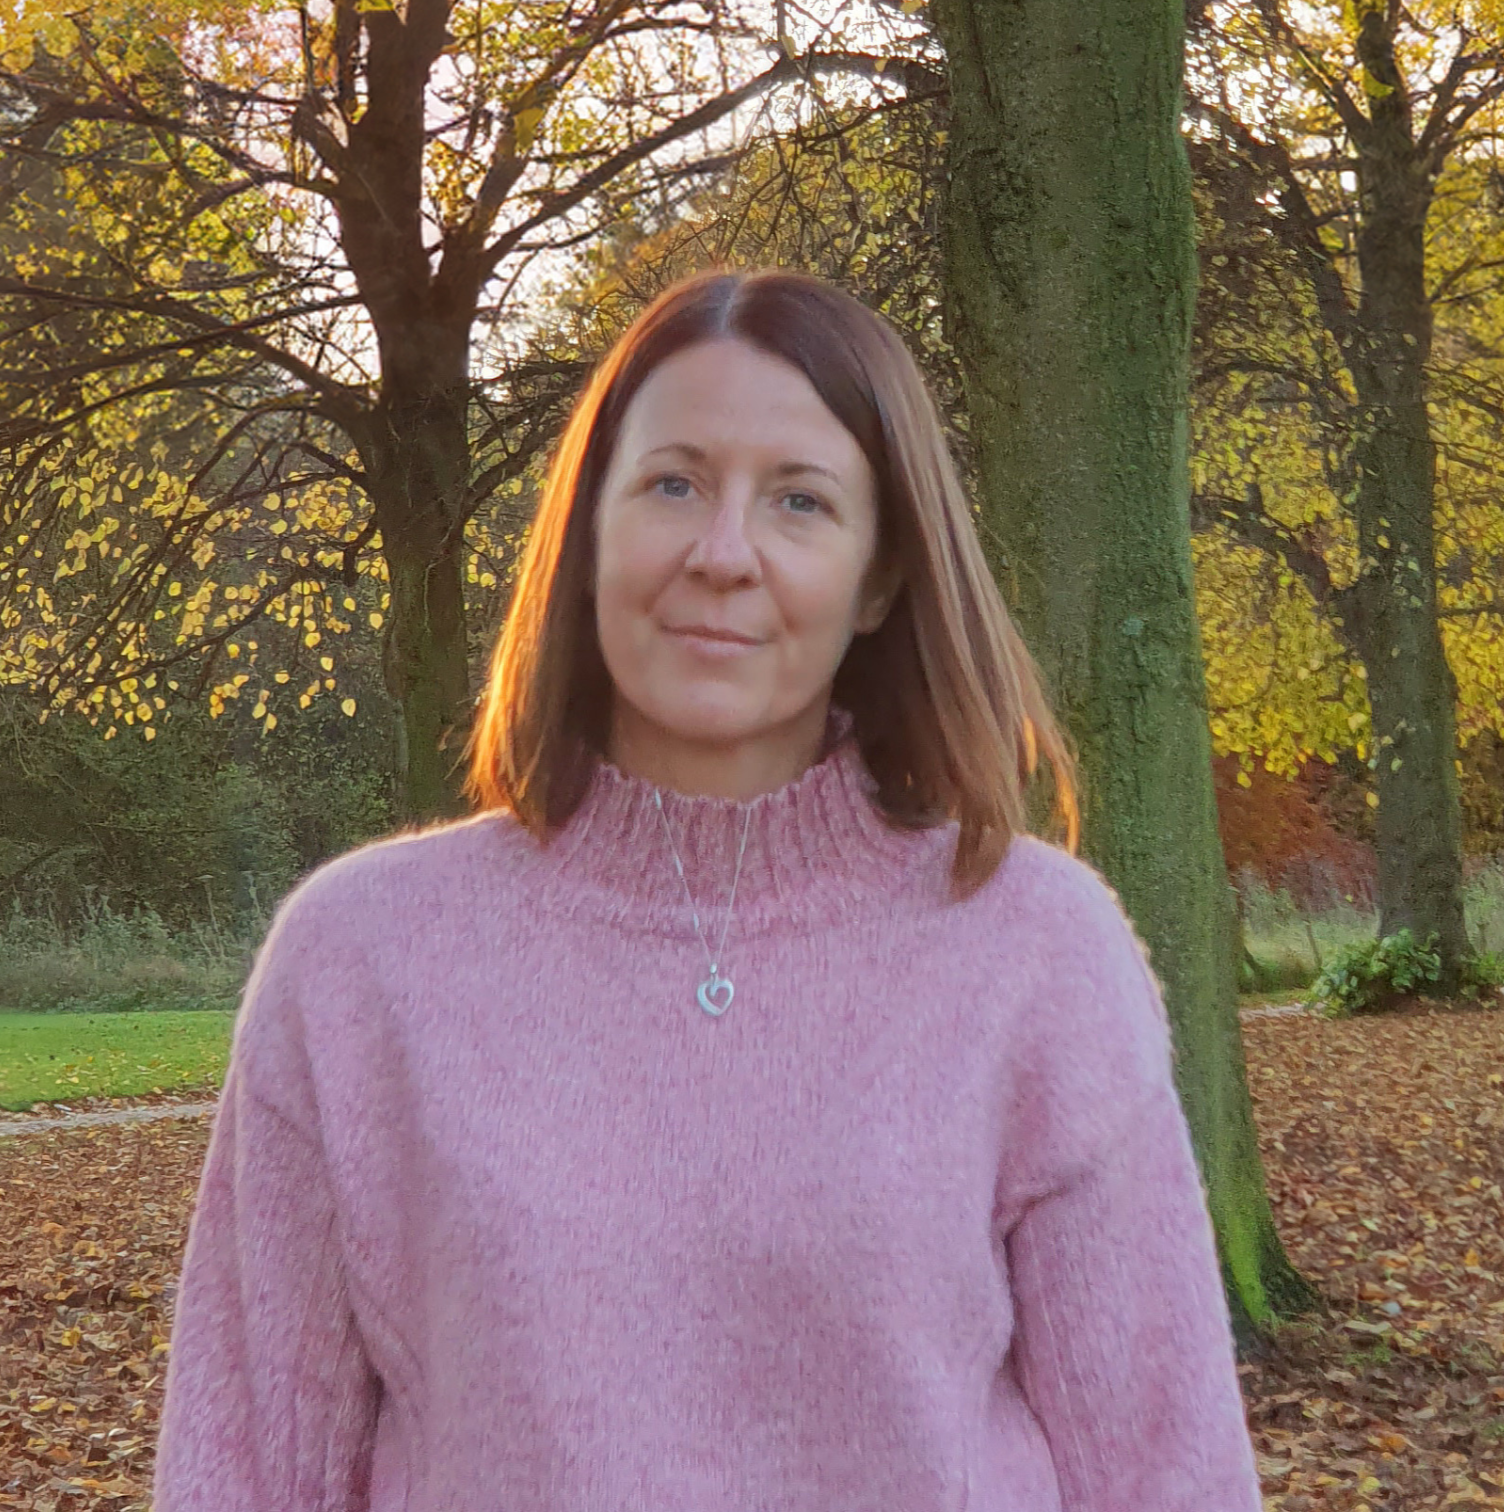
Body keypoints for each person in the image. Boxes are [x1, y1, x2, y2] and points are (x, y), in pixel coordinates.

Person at [152, 268, 1264, 1511]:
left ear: (881, 576)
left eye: (799, 501)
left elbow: (1169, 1473)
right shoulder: (359, 964)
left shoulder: (1038, 955)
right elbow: (241, 1470)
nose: (723, 554)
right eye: (672, 483)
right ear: (587, 534)